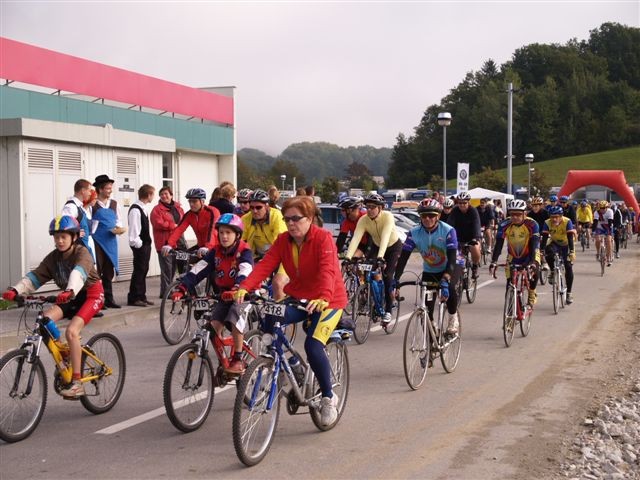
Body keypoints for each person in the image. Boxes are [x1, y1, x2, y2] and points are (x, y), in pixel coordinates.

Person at [234, 195, 347, 426]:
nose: (291, 223)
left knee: (312, 345)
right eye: (287, 219)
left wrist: (324, 296)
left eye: (296, 218)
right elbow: (266, 265)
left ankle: (328, 396)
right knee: (270, 315)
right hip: (298, 296)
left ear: (311, 218)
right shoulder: (284, 240)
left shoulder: (323, 238)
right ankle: (288, 366)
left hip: (329, 299)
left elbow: (328, 270)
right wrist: (245, 287)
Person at [2, 216, 104, 398]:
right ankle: (66, 354)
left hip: (91, 295)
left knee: (72, 332)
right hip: (69, 296)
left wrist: (70, 289)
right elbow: (35, 277)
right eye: (56, 237)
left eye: (64, 236)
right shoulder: (53, 258)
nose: (59, 241)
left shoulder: (82, 253)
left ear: (73, 237)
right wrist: (15, 290)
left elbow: (78, 272)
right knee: (45, 319)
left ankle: (77, 383)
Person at [172, 214, 253, 374]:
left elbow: (246, 269)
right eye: (221, 232)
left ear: (237, 235)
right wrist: (182, 288)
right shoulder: (215, 252)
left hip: (243, 293)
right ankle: (223, 364)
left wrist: (238, 287)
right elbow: (199, 269)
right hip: (224, 295)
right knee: (213, 327)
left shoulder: (244, 251)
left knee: (235, 317)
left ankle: (237, 358)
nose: (224, 236)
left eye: (228, 233)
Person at [395, 199, 461, 334]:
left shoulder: (448, 231)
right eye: (424, 216)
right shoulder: (414, 233)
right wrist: (395, 279)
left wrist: (447, 277)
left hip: (452, 265)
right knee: (426, 308)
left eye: (431, 216)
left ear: (438, 216)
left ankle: (453, 318)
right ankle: (432, 331)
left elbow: (452, 258)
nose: (427, 219)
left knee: (450, 287)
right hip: (430, 269)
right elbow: (403, 258)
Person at [344, 193, 402, 326]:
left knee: (387, 277)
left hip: (392, 247)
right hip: (377, 246)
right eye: (367, 207)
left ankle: (388, 310)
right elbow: (356, 238)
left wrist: (381, 258)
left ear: (380, 208)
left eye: (373, 207)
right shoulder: (363, 220)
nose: (369, 210)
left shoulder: (388, 216)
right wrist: (348, 257)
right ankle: (369, 297)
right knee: (366, 269)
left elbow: (386, 236)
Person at [490, 199, 541, 307]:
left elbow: (534, 245)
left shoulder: (532, 224)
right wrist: (494, 261)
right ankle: (509, 312)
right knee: (510, 284)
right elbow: (498, 244)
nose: (515, 217)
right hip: (513, 256)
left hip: (529, 253)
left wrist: (532, 262)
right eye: (512, 214)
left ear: (525, 214)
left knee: (536, 268)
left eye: (518, 215)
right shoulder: (504, 224)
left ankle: (532, 292)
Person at [241, 189, 289, 300]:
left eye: (258, 207)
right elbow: (241, 242)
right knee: (248, 281)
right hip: (259, 256)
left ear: (267, 206)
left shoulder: (276, 216)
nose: (254, 211)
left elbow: (280, 243)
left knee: (278, 283)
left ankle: (279, 314)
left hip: (282, 255)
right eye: (252, 207)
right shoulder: (246, 219)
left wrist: (268, 259)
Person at [92, 174, 126, 309]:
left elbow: (118, 220)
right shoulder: (93, 205)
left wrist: (118, 228)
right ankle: (98, 301)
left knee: (108, 271)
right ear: (100, 189)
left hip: (111, 241)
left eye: (110, 188)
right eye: (107, 188)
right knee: (97, 271)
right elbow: (91, 224)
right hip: (97, 242)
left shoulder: (114, 204)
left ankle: (109, 299)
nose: (110, 190)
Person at [162, 188, 220, 259]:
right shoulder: (189, 214)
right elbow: (179, 229)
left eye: (194, 201)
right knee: (185, 259)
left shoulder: (212, 212)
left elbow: (212, 230)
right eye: (190, 201)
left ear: (202, 201)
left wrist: (208, 246)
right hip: (200, 246)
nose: (191, 204)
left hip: (214, 246)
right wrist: (169, 244)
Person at [150, 186, 185, 298]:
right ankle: (165, 292)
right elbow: (157, 223)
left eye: (166, 193)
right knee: (167, 269)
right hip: (164, 242)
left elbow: (183, 220)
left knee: (175, 268)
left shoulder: (178, 207)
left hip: (178, 241)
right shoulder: (157, 210)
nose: (164, 196)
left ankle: (172, 290)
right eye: (162, 194)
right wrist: (172, 226)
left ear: (171, 195)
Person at [541, 206, 576, 304]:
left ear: (561, 216)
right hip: (555, 243)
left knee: (568, 266)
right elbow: (544, 238)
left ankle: (569, 293)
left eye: (557, 217)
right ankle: (552, 271)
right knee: (548, 251)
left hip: (566, 244)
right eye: (552, 217)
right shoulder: (547, 223)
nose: (554, 219)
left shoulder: (567, 221)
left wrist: (572, 251)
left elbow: (570, 238)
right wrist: (542, 250)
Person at [127, 184, 155, 307]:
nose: (153, 196)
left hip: (145, 245)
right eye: (152, 194)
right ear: (148, 195)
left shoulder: (143, 208)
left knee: (143, 270)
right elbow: (134, 230)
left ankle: (141, 296)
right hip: (140, 245)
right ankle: (134, 297)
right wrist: (139, 245)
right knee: (139, 270)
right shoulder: (135, 209)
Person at [447, 192, 482, 279]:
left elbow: (477, 224)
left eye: (464, 203)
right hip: (458, 238)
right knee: (453, 255)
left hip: (471, 237)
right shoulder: (454, 211)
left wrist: (476, 237)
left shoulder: (473, 211)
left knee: (475, 247)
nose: (462, 205)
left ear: (468, 203)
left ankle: (475, 267)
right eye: (460, 203)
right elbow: (449, 225)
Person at [61, 179, 96, 262]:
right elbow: (64, 227)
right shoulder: (71, 206)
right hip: (76, 251)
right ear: (83, 191)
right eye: (89, 190)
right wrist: (76, 233)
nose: (90, 193)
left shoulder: (79, 206)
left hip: (83, 248)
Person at [592, 200, 614, 266]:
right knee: (598, 240)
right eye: (600, 208)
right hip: (599, 227)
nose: (602, 209)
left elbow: (610, 222)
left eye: (603, 208)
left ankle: (608, 257)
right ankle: (598, 252)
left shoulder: (610, 211)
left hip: (608, 227)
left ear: (607, 207)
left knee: (608, 240)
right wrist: (593, 231)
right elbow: (595, 223)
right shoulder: (596, 212)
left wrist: (609, 233)